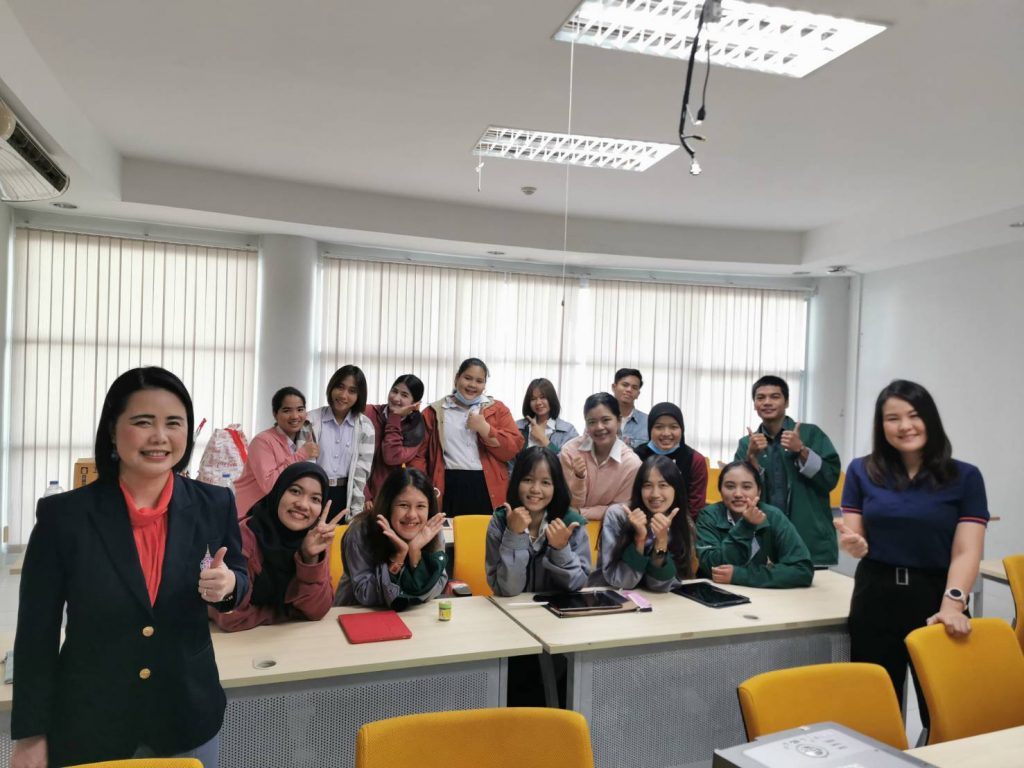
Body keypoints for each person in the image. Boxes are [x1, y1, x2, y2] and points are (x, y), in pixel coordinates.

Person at [11, 367, 248, 768]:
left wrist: (229, 586)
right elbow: (37, 633)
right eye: (143, 422)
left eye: (174, 423)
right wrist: (31, 735)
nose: (160, 436)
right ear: (112, 430)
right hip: (91, 722)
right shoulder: (64, 517)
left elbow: (239, 577)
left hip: (187, 716)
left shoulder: (214, 504)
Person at [836, 380, 987, 715]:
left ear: (930, 418)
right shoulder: (861, 470)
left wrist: (953, 606)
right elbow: (856, 538)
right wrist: (853, 545)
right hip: (875, 595)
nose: (905, 426)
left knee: (947, 710)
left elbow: (967, 551)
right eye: (893, 418)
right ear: (882, 426)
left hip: (935, 597)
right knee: (876, 707)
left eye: (914, 415)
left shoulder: (965, 477)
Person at [212, 463, 344, 631]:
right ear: (279, 492)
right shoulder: (244, 536)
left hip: (284, 639)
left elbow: (317, 611)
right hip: (235, 641)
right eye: (295, 491)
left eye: (315, 499)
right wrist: (287, 613)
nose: (303, 505)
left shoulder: (314, 540)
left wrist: (309, 558)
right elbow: (231, 617)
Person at [734, 375, 841, 565]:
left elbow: (830, 478)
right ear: (755, 404)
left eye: (775, 396)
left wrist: (801, 450)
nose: (767, 402)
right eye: (760, 397)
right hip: (765, 536)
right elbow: (739, 494)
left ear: (787, 402)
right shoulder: (747, 444)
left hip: (809, 536)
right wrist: (751, 458)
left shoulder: (811, 434)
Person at [414, 358, 523, 516]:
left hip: (487, 483)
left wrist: (485, 429)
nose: (472, 385)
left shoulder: (498, 409)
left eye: (479, 381)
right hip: (448, 482)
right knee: (449, 530)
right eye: (467, 378)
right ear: (457, 378)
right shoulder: (434, 411)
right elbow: (419, 455)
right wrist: (422, 485)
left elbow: (512, 449)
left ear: (484, 385)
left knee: (487, 531)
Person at [335, 467, 448, 609]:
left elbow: (439, 584)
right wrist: (398, 557)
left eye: (420, 506)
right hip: (359, 612)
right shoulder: (361, 531)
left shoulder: (431, 529)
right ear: (388, 505)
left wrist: (414, 552)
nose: (412, 515)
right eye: (403, 505)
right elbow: (366, 594)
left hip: (413, 613)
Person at [486, 446, 591, 596]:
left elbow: (577, 585)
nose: (535, 489)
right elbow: (507, 589)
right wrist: (513, 536)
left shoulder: (571, 524)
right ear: (516, 482)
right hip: (511, 608)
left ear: (556, 487)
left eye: (545, 482)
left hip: (556, 608)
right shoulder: (501, 521)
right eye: (528, 480)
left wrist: (560, 549)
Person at [696, 461, 813, 588]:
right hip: (716, 592)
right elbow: (713, 568)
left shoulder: (773, 516)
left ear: (759, 491)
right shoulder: (708, 516)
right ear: (720, 490)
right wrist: (745, 526)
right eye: (730, 486)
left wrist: (741, 575)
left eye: (746, 487)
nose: (738, 494)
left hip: (761, 594)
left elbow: (803, 570)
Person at [590, 455, 696, 591]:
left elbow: (659, 585)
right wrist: (639, 540)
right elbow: (621, 581)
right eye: (647, 486)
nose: (655, 494)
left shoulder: (682, 522)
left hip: (657, 600)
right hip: (610, 595)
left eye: (663, 485)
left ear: (676, 488)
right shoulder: (619, 515)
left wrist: (661, 541)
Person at [233, 386, 319, 518]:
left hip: (278, 514)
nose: (295, 416)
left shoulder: (303, 439)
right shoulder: (262, 441)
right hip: (250, 515)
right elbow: (270, 485)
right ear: (275, 414)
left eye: (300, 409)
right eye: (287, 410)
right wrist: (301, 455)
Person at [559, 393, 641, 521]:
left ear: (619, 420)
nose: (599, 427)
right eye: (592, 422)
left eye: (606, 420)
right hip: (570, 523)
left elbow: (619, 510)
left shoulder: (631, 464)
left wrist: (582, 512)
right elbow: (570, 504)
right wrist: (579, 478)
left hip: (612, 527)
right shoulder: (571, 451)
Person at [308, 365, 376, 520]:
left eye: (352, 391)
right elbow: (305, 466)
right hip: (315, 492)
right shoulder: (311, 421)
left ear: (359, 395)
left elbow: (361, 473)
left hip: (346, 496)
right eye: (340, 387)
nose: (344, 395)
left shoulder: (365, 426)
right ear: (331, 387)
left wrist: (356, 512)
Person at [634, 402, 708, 520]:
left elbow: (695, 505)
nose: (666, 433)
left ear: (682, 429)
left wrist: (675, 526)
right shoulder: (636, 457)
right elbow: (633, 497)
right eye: (659, 427)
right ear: (650, 429)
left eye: (673, 427)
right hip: (642, 520)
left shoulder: (695, 460)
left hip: (682, 522)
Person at [365, 374, 427, 505]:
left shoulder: (415, 428)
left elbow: (391, 456)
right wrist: (364, 494)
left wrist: (395, 417)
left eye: (404, 395)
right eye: (394, 391)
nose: (396, 398)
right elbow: (353, 456)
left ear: (415, 404)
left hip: (389, 498)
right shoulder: (369, 412)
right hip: (359, 494)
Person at [514, 377, 579, 459]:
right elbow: (510, 462)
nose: (538, 402)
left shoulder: (568, 430)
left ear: (551, 399)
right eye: (533, 399)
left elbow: (570, 462)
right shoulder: (517, 427)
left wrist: (543, 439)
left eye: (542, 397)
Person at [611, 367, 648, 448]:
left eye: (634, 387)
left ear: (638, 394)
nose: (629, 390)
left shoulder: (647, 422)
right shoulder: (600, 419)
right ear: (614, 387)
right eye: (625, 385)